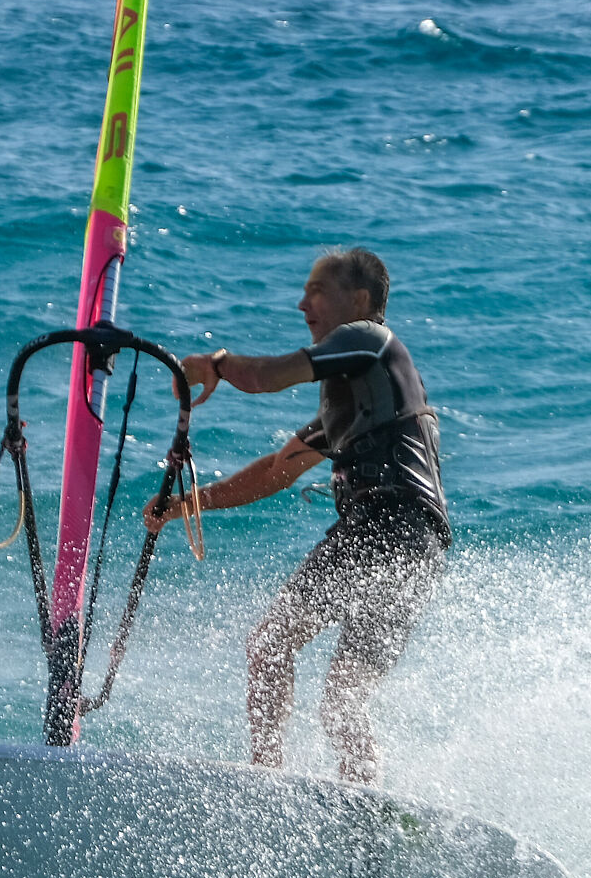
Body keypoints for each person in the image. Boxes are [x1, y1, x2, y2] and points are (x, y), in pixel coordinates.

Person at [144, 248, 449, 785]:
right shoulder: (353, 400)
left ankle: (297, 789)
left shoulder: (369, 340)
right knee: (327, 687)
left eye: (316, 291)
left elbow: (273, 375)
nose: (301, 302)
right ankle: (330, 792)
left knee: (296, 662)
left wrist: (215, 366)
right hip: (410, 545)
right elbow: (276, 471)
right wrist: (188, 505)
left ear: (358, 301)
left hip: (390, 528)